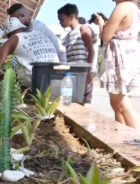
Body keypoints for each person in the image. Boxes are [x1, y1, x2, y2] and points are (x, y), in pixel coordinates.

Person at [95, 0, 139, 128]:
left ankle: (137, 142)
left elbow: (106, 36)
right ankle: (123, 138)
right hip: (128, 60)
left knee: (123, 105)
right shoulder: (133, 8)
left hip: (119, 61)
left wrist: (101, 23)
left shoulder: (122, 7)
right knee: (117, 105)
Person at [0, 17, 59, 87]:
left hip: (36, 87)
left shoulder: (12, 40)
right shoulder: (40, 33)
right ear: (23, 28)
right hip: (57, 80)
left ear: (8, 35)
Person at [58, 3, 95, 103]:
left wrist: (88, 72)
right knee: (70, 103)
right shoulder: (66, 37)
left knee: (80, 104)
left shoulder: (82, 29)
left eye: (62, 19)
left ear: (72, 16)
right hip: (71, 75)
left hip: (82, 75)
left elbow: (91, 51)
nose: (60, 22)